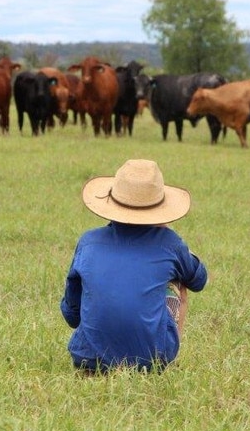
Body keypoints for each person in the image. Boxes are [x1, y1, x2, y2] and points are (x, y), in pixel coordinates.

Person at [60, 159, 208, 374]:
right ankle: (162, 362)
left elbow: (71, 313)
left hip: (88, 357)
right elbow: (199, 280)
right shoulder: (169, 243)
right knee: (176, 280)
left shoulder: (88, 241)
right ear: (160, 208)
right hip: (150, 361)